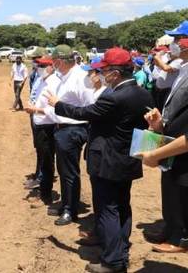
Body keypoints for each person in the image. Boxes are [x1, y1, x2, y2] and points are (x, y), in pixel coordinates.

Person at [48, 47, 154, 273]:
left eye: (103, 70)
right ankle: (120, 249)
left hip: (107, 161)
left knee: (107, 209)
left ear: (115, 73)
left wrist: (57, 103)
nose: (100, 74)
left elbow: (84, 113)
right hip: (128, 159)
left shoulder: (114, 97)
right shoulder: (142, 93)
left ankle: (113, 261)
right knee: (122, 206)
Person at [142, 38, 188, 253]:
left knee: (183, 192)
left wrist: (156, 154)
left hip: (182, 149)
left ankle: (181, 238)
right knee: (171, 190)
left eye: (178, 41)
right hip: (174, 145)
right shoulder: (183, 69)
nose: (174, 46)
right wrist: (160, 123)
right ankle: (172, 229)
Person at [43, 44, 95, 226]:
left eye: (55, 61)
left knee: (69, 172)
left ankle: (70, 210)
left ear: (60, 61)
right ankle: (67, 203)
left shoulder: (81, 78)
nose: (53, 64)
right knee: (64, 170)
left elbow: (91, 107)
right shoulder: (65, 76)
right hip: (63, 128)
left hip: (74, 129)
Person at [24, 55, 61, 206]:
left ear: (51, 67)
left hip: (48, 126)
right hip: (40, 125)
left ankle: (45, 195)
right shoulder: (43, 81)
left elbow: (53, 109)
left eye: (43, 66)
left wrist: (35, 110)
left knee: (47, 161)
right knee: (42, 158)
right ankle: (44, 190)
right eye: (38, 66)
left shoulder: (54, 83)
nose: (39, 69)